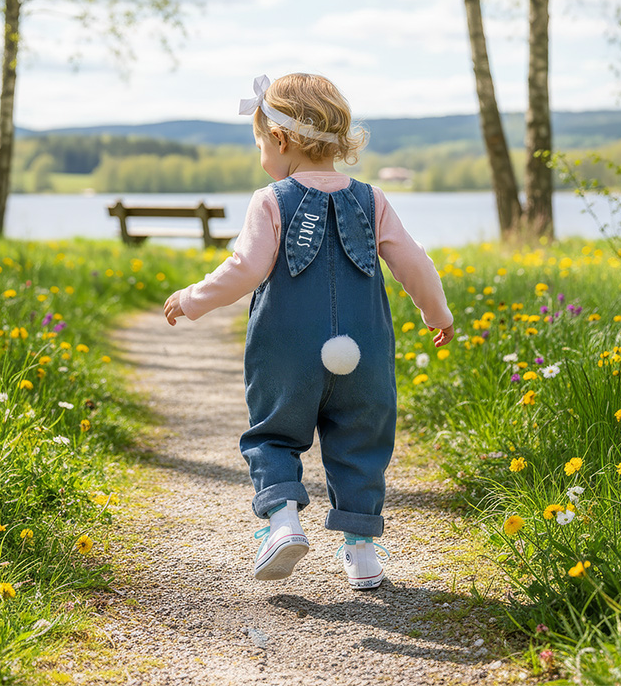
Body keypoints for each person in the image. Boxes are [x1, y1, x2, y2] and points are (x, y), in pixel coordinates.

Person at [164, 73, 454, 590]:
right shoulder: (373, 198)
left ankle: (282, 523)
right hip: (363, 355)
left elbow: (245, 269)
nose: (260, 154)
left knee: (274, 433)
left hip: (286, 350)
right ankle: (363, 553)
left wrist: (192, 299)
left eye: (259, 143)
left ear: (279, 139)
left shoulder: (271, 199)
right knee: (361, 440)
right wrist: (438, 314)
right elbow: (414, 263)